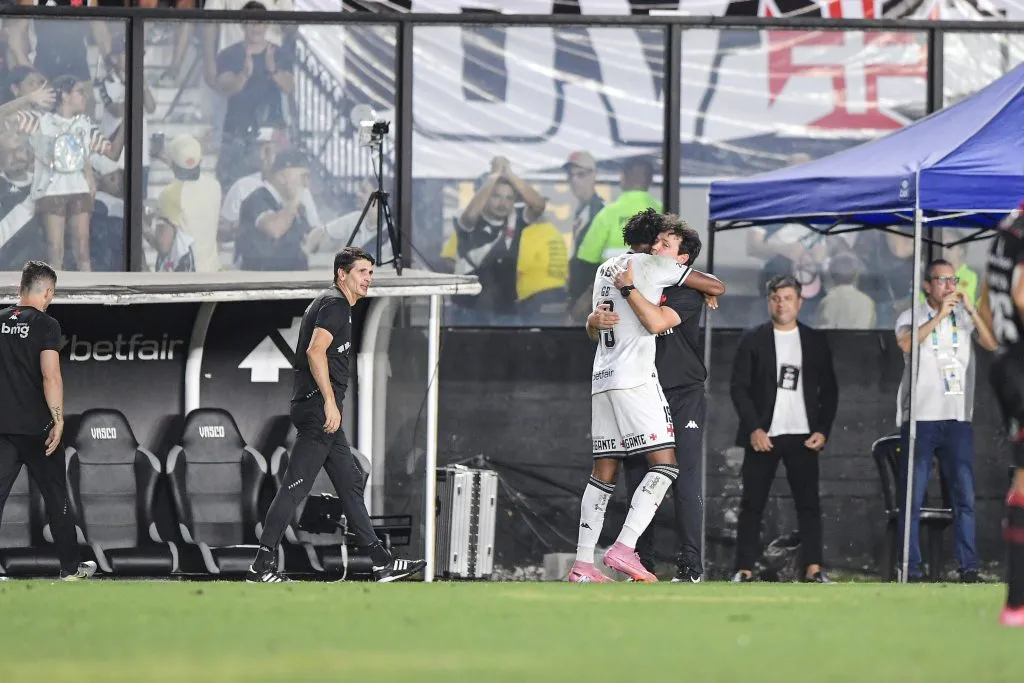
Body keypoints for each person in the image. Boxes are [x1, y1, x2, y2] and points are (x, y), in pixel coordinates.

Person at [248, 247, 427, 583]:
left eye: (371, 273)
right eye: (362, 272)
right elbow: (315, 352)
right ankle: (260, 566)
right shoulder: (334, 304)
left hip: (318, 410)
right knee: (294, 487)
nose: (368, 279)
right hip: (319, 411)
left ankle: (380, 562)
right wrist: (330, 402)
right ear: (342, 274)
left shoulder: (335, 304)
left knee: (350, 481)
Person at [568, 209, 721, 583]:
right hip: (636, 381)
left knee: (604, 473)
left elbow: (599, 316)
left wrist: (594, 319)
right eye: (659, 240)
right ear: (651, 244)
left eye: (666, 243)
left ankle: (583, 564)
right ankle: (625, 548)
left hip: (603, 379)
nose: (659, 246)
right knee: (666, 467)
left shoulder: (607, 266)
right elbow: (715, 286)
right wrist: (706, 288)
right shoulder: (650, 267)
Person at [729, 274, 838, 583]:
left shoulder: (814, 341)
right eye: (776, 298)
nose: (782, 304)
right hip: (764, 436)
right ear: (769, 302)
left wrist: (823, 429)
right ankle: (744, 569)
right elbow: (739, 388)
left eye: (788, 298)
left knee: (809, 505)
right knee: (752, 504)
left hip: (803, 436)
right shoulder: (753, 339)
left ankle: (814, 569)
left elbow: (830, 390)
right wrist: (754, 429)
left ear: (800, 302)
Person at [894, 259, 997, 583]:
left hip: (956, 419)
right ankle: (912, 567)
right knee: (912, 496)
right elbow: (908, 344)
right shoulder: (911, 315)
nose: (950, 286)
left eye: (953, 280)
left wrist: (971, 309)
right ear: (927, 285)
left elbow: (992, 344)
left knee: (964, 497)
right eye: (942, 280)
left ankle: (968, 567)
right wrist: (939, 316)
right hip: (921, 418)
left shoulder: (964, 318)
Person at [0, 261, 95, 581]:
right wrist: (58, 420)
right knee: (57, 498)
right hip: (38, 430)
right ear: (48, 292)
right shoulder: (46, 324)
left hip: (2, 429)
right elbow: (50, 375)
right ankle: (70, 568)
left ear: (20, 288)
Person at [977, 206, 1024, 626]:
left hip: (1007, 363)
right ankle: (1017, 603)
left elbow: (987, 314)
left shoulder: (1004, 232)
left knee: (1022, 480)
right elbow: (1022, 294)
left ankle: (1015, 604)